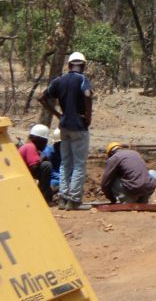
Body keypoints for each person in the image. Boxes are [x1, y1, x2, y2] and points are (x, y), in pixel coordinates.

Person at [38, 51, 93, 210]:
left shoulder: (58, 81)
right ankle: (74, 200)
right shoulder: (82, 79)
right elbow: (87, 94)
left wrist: (57, 114)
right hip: (79, 126)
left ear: (69, 65)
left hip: (64, 126)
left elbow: (41, 97)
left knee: (65, 163)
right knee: (79, 164)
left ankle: (63, 199)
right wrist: (88, 116)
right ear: (83, 66)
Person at [18, 124, 54, 204]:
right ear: (36, 139)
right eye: (44, 142)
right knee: (46, 166)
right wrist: (42, 158)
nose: (45, 145)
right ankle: (42, 198)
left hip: (23, 174)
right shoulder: (30, 147)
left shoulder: (28, 146)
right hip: (22, 175)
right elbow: (34, 167)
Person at [42, 128, 62, 196]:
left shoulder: (63, 152)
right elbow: (49, 171)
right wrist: (62, 178)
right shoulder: (48, 152)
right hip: (50, 178)